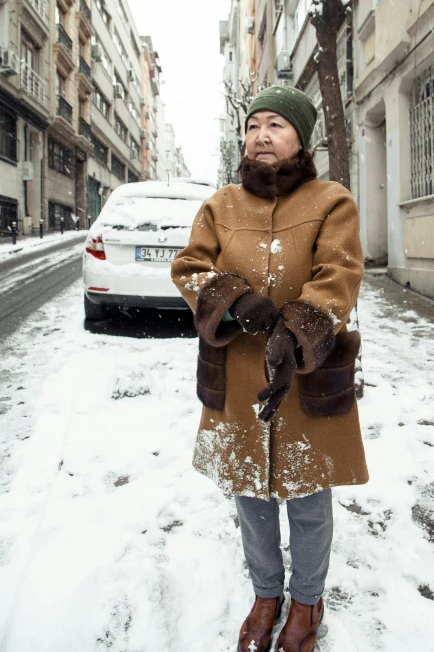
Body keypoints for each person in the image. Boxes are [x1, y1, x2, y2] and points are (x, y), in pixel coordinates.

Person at [171, 85, 368, 652]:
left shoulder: (332, 201)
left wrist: (298, 324)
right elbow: (189, 268)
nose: (262, 134)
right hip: (238, 374)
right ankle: (266, 595)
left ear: (300, 139)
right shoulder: (220, 205)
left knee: (307, 496)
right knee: (250, 496)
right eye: (254, 124)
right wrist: (235, 300)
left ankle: (307, 601)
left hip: (305, 373)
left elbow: (340, 274)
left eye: (277, 124)